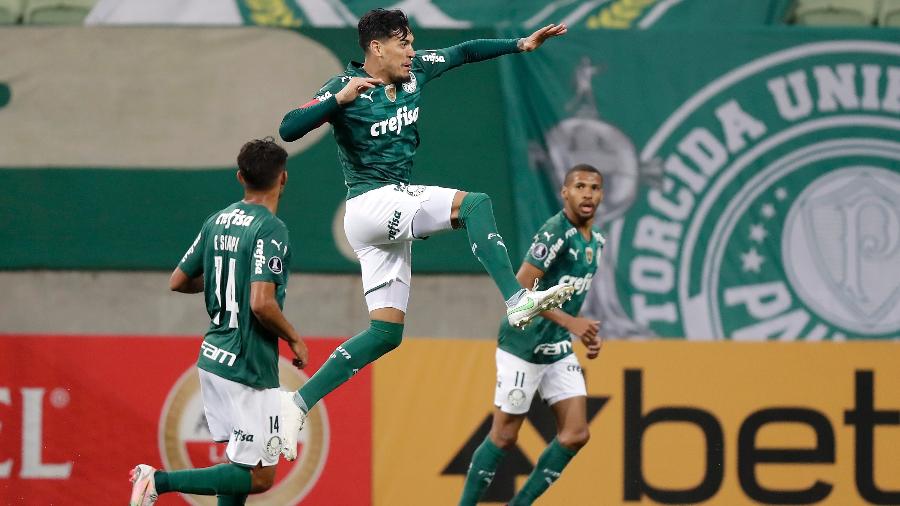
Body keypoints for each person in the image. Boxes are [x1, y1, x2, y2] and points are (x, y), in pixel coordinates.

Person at [277, 8, 574, 459]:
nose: (412, 52)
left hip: (383, 220)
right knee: (475, 204)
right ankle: (517, 300)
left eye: (413, 42)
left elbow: (465, 50)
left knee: (385, 334)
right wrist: (337, 101)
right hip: (371, 202)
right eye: (404, 44)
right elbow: (287, 129)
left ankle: (296, 403)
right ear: (376, 48)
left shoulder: (415, 74)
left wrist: (520, 44)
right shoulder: (343, 86)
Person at [128, 138, 309, 506]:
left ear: (240, 176)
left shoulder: (218, 220)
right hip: (247, 364)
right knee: (259, 477)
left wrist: (226, 279)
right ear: (284, 179)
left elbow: (178, 280)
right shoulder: (271, 229)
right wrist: (294, 338)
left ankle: (157, 482)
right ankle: (157, 481)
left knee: (239, 463)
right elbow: (262, 305)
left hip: (214, 356)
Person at [459, 164, 605, 506]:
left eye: (595, 187)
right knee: (505, 436)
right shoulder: (555, 233)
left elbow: (569, 294)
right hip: (522, 345)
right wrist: (571, 324)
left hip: (556, 348)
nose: (587, 193)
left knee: (575, 434)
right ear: (564, 193)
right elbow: (522, 290)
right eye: (580, 186)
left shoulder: (596, 241)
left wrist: (581, 330)